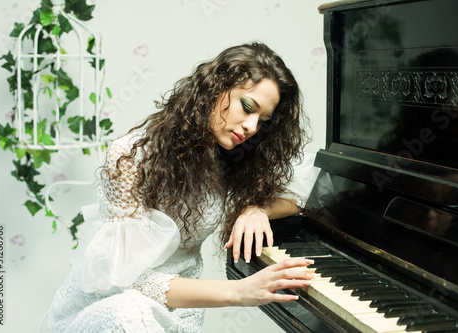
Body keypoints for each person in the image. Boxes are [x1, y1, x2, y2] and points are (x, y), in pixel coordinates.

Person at [48, 42, 321, 332]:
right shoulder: (130, 156)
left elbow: (309, 187)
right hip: (112, 308)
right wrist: (239, 292)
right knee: (126, 313)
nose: (252, 127)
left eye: (262, 120)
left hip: (178, 313)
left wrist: (257, 209)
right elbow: (129, 279)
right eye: (247, 107)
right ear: (214, 89)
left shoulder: (231, 156)